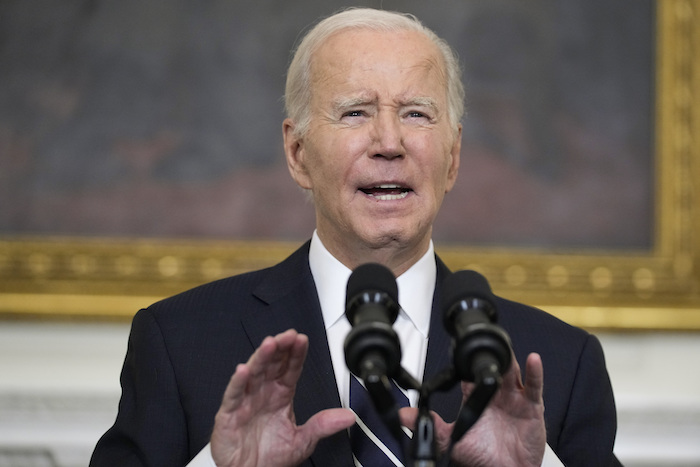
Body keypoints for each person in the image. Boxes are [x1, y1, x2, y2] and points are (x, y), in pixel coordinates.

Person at [91, 7, 621, 467]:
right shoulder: (180, 343)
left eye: (416, 114)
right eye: (355, 113)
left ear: (454, 156)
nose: (389, 142)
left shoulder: (558, 362)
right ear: (298, 153)